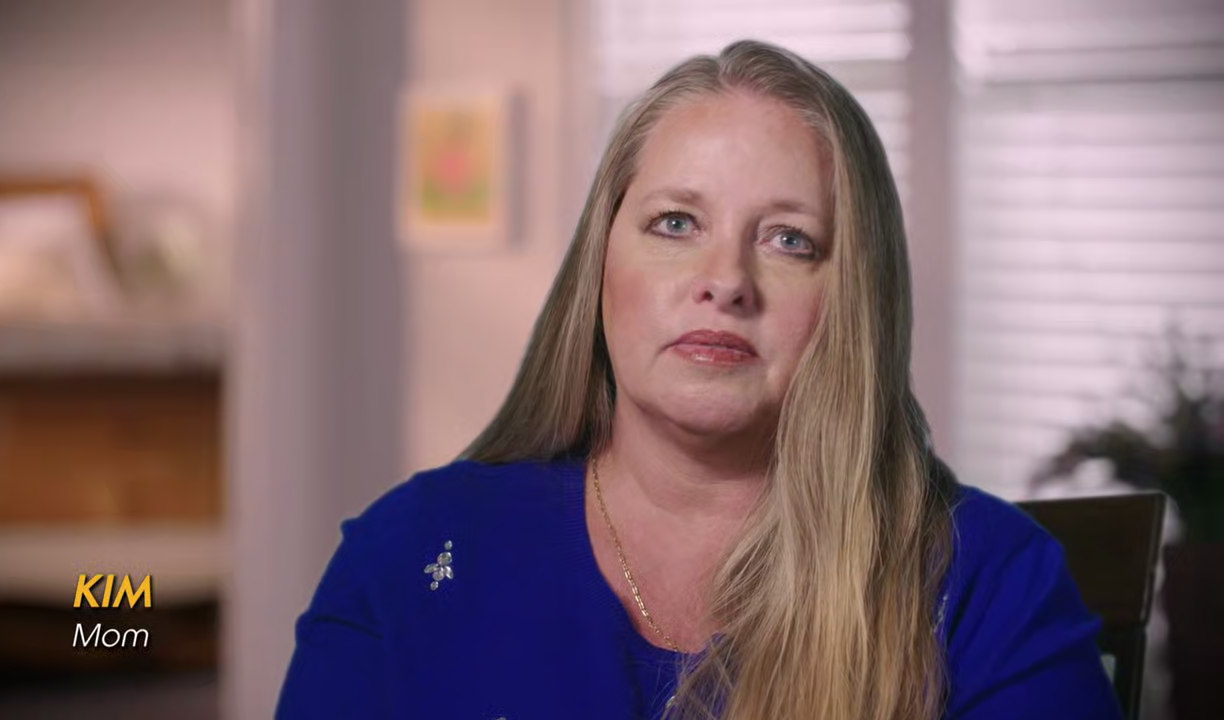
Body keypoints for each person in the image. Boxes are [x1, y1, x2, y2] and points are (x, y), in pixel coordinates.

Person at [277, 40, 1122, 720]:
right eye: (676, 223)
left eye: (789, 239)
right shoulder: (408, 556)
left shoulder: (990, 585)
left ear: (854, 302)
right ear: (600, 264)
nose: (725, 280)